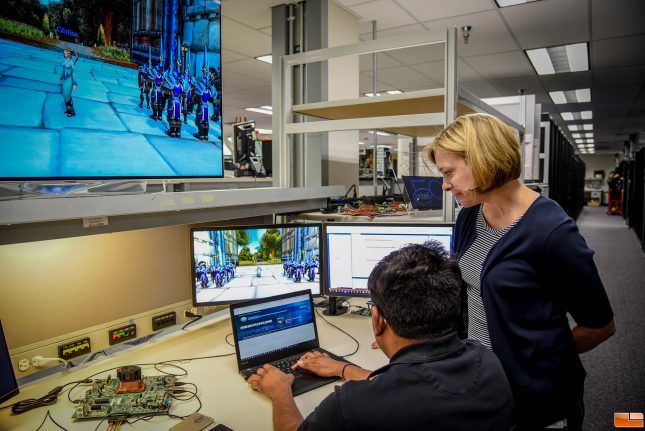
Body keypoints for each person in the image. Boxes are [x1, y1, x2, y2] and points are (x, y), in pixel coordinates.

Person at [424, 113, 616, 430]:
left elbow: (600, 326)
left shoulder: (552, 232)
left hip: (534, 400)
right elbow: (468, 291)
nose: (445, 185)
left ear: (484, 161)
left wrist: (535, 361)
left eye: (449, 173)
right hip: (480, 382)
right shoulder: (469, 216)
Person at [248, 241, 515, 431]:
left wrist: (280, 390)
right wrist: (344, 368)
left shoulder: (353, 406)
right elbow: (413, 386)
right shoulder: (489, 361)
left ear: (377, 320)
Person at [60, 49, 79, 117]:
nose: (66, 55)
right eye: (65, 53)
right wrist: (61, 78)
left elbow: (73, 73)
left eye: (67, 53)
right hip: (65, 81)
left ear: (70, 55)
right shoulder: (64, 61)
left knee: (68, 96)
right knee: (65, 96)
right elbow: (63, 70)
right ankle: (68, 110)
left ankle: (71, 112)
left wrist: (74, 83)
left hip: (69, 81)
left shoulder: (71, 62)